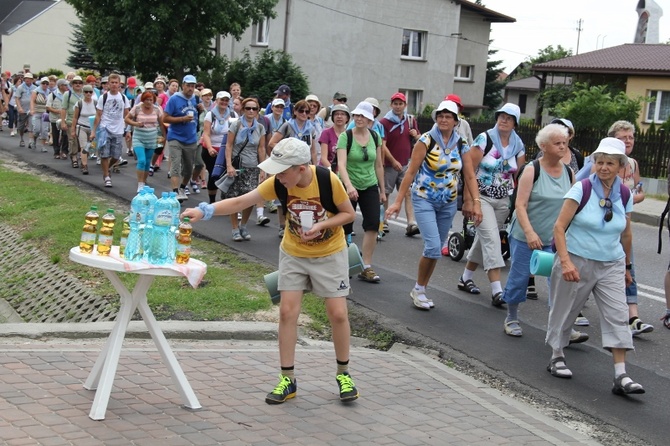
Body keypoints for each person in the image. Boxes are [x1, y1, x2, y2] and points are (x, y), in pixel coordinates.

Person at [181, 138, 359, 405]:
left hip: (329, 252)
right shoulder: (278, 182)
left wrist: (323, 226)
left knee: (338, 313)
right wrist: (204, 211)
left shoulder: (327, 179)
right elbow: (241, 202)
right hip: (294, 252)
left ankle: (344, 373)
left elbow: (348, 215)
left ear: (300, 167)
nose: (278, 175)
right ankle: (287, 379)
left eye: (283, 170)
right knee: (287, 312)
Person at [546, 137, 644, 396]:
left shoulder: (624, 193)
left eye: (609, 163)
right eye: (599, 161)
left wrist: (626, 267)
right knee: (566, 310)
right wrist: (565, 261)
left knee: (618, 314)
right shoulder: (582, 188)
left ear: (620, 165)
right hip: (576, 259)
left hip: (611, 263)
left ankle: (621, 374)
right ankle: (557, 355)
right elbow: (558, 227)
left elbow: (626, 234)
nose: (603, 167)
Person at [386, 100, 472, 309]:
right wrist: (397, 202)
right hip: (424, 198)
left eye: (448, 116)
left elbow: (469, 175)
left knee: (435, 249)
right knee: (433, 247)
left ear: (455, 121)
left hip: (448, 202)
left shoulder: (461, 144)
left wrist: (474, 202)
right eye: (440, 116)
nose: (443, 119)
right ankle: (418, 289)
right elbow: (410, 173)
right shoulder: (425, 140)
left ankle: (421, 289)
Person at [501, 124, 572, 336]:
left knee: (558, 281)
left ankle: (560, 325)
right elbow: (520, 205)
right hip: (525, 236)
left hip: (555, 238)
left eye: (565, 143)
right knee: (520, 277)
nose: (562, 147)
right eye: (557, 143)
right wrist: (530, 233)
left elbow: (572, 207)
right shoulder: (532, 169)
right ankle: (511, 317)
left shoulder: (569, 172)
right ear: (543, 146)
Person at [458, 103, 525, 306]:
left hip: (504, 200)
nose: (504, 120)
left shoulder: (518, 145)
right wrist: (469, 200)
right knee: (492, 240)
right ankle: (497, 291)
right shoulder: (484, 139)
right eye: (501, 116)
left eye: (509, 117)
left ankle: (465, 278)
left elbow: (520, 175)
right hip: (482, 198)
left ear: (515, 123)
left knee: (484, 238)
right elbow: (469, 169)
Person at [337, 101, 386, 283]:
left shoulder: (375, 137)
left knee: (373, 223)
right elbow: (341, 164)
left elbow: (379, 164)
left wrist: (382, 190)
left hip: (370, 184)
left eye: (363, 116)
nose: (359, 118)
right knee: (345, 225)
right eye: (357, 115)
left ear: (370, 119)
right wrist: (349, 186)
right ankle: (343, 262)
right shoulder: (346, 136)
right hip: (348, 184)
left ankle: (366, 266)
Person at [268, 99, 319, 237]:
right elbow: (272, 143)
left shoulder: (311, 128)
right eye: (301, 110)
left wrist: (315, 165)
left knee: (302, 194)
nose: (304, 113)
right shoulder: (287, 126)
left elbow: (313, 149)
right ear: (295, 111)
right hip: (288, 166)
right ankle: (282, 225)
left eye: (307, 111)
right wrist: (286, 153)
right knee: (284, 194)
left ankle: (299, 223)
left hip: (304, 165)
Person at [223, 97, 267, 241]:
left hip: (252, 167)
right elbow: (229, 146)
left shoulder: (260, 127)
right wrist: (229, 165)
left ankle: (244, 225)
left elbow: (261, 148)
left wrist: (263, 168)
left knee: (249, 199)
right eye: (248, 108)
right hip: (237, 166)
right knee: (234, 197)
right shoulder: (236, 125)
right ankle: (234, 228)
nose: (251, 111)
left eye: (254, 108)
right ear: (243, 109)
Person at [379, 92, 421, 237]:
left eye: (400, 104)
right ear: (391, 105)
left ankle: (411, 223)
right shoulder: (384, 122)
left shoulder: (410, 120)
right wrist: (392, 160)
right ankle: (384, 221)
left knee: (407, 192)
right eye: (395, 104)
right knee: (386, 193)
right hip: (389, 164)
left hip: (406, 163)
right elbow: (382, 145)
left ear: (405, 105)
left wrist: (416, 135)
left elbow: (420, 140)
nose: (398, 106)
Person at [162, 74, 202, 201]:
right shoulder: (175, 99)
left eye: (193, 86)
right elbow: (165, 118)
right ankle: (175, 192)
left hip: (191, 138)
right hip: (175, 137)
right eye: (188, 85)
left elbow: (200, 118)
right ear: (183, 86)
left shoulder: (196, 99)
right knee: (175, 164)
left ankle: (182, 187)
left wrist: (201, 109)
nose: (190, 88)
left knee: (189, 168)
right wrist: (181, 119)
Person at [90, 73, 131, 188]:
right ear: (108, 84)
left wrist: (128, 130)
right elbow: (98, 115)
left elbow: (127, 115)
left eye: (116, 83)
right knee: (104, 154)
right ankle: (106, 176)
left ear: (119, 84)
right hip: (105, 128)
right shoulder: (104, 97)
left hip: (118, 130)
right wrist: (94, 131)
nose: (114, 85)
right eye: (111, 82)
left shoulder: (123, 98)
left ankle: (107, 167)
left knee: (117, 155)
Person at [125, 90, 166, 192]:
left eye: (150, 100)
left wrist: (164, 136)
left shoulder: (157, 109)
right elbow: (127, 119)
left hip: (152, 138)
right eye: (146, 100)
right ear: (143, 100)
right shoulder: (138, 108)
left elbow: (161, 124)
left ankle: (144, 180)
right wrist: (136, 124)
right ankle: (140, 184)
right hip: (139, 137)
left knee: (148, 162)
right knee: (142, 160)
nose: (148, 102)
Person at [202, 91, 234, 203]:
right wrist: (210, 148)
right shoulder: (210, 114)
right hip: (212, 149)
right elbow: (206, 133)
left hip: (227, 149)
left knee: (228, 175)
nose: (224, 102)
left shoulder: (233, 115)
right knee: (214, 174)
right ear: (216, 101)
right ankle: (212, 201)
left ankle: (226, 200)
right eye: (222, 100)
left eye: (226, 100)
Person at [71, 84, 98, 175]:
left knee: (92, 147)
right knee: (83, 146)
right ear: (83, 93)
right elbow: (75, 117)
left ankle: (94, 160)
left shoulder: (95, 103)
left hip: (92, 127)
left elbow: (98, 116)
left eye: (90, 92)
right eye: (86, 92)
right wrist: (73, 129)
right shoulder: (79, 103)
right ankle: (84, 165)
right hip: (81, 126)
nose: (88, 94)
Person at [60, 76, 85, 168]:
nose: (78, 84)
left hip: (83, 121)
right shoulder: (68, 94)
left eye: (80, 82)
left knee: (81, 142)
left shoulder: (85, 94)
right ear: (72, 84)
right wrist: (63, 122)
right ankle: (74, 157)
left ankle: (79, 155)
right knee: (72, 139)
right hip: (71, 120)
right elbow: (63, 109)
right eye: (75, 82)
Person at [319, 104, 349, 172]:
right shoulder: (326, 133)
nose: (339, 116)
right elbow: (323, 158)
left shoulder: (349, 135)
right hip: (327, 170)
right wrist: (332, 171)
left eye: (342, 114)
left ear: (347, 118)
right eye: (336, 114)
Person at [46, 79, 68, 160]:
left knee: (65, 134)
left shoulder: (68, 94)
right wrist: (57, 111)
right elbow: (48, 106)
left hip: (65, 117)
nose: (66, 87)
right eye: (65, 85)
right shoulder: (53, 95)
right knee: (55, 135)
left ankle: (64, 151)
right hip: (55, 118)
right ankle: (56, 151)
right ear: (60, 86)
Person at [15, 72, 36, 148]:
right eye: (26, 78)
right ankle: (21, 139)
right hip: (23, 109)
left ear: (32, 80)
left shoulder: (34, 88)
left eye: (29, 78)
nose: (27, 80)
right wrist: (19, 107)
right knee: (21, 127)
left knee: (31, 125)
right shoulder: (20, 87)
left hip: (31, 109)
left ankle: (30, 142)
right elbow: (17, 98)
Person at [29, 77, 50, 152]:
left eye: (47, 84)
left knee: (44, 130)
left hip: (45, 113)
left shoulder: (49, 92)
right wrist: (32, 109)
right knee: (36, 129)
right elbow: (32, 101)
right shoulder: (36, 91)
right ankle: (34, 140)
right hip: (37, 111)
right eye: (43, 83)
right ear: (41, 84)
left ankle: (43, 146)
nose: (45, 85)